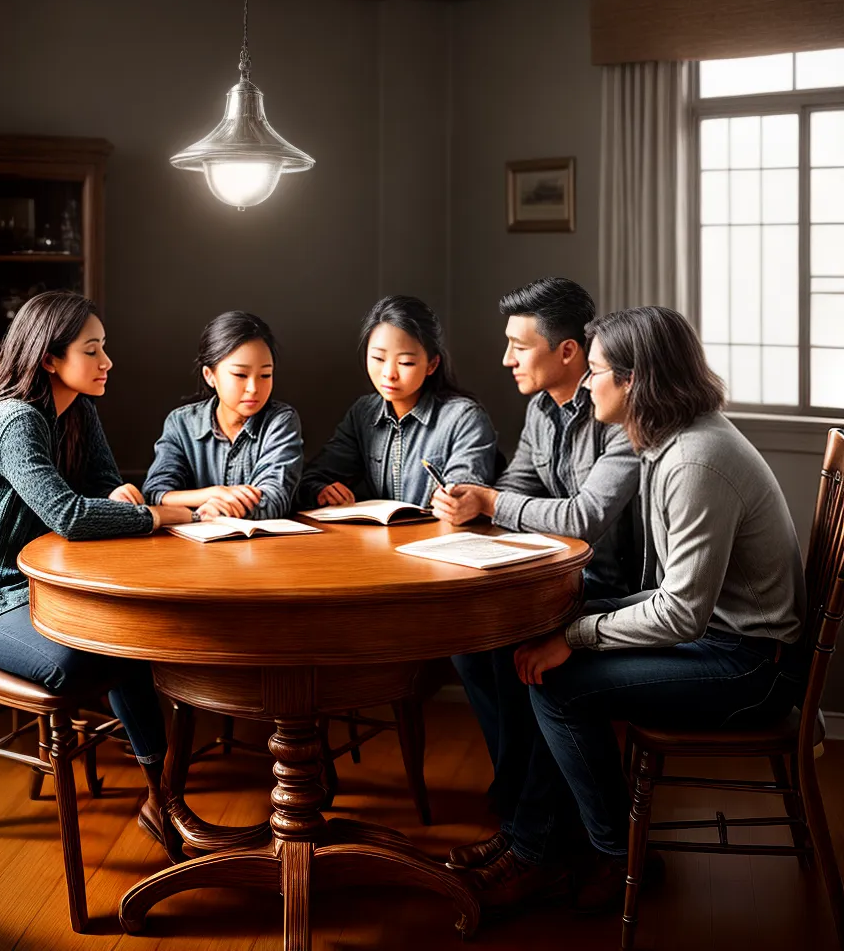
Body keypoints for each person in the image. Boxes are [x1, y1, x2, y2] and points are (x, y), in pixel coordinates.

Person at [471, 306, 807, 912]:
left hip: (752, 666)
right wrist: (571, 628)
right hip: (721, 639)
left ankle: (613, 854)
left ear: (633, 382)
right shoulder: (671, 440)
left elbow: (681, 613)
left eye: (597, 371)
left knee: (557, 686)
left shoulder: (694, 460)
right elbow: (673, 595)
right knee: (536, 645)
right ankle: (536, 842)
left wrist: (575, 634)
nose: (588, 384)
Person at [0, 291, 191, 843]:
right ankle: (165, 796)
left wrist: (120, 493)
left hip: (56, 593)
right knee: (97, 655)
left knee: (131, 641)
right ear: (48, 359)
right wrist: (158, 515)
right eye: (93, 351)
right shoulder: (16, 420)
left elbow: (101, 486)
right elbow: (68, 515)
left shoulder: (78, 410)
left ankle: (163, 800)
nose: (107, 362)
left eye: (104, 348)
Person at [433, 278, 641, 871]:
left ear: (568, 351)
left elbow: (587, 518)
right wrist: (474, 498)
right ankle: (526, 808)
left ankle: (531, 836)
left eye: (519, 346)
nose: (506, 358)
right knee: (473, 649)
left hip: (609, 587)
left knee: (520, 656)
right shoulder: (540, 408)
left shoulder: (619, 411)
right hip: (550, 575)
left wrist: (493, 505)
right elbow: (520, 484)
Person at [298, 294, 496, 508]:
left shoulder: (463, 418)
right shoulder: (363, 413)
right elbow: (313, 478)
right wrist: (322, 491)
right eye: (378, 359)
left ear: (432, 365)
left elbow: (467, 491)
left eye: (406, 362)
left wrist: (457, 503)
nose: (389, 373)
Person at [142, 311, 303, 519]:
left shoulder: (280, 421)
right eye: (240, 375)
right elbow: (156, 493)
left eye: (265, 375)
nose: (253, 388)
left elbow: (273, 500)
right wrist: (213, 493)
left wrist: (213, 510)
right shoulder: (181, 423)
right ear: (210, 376)